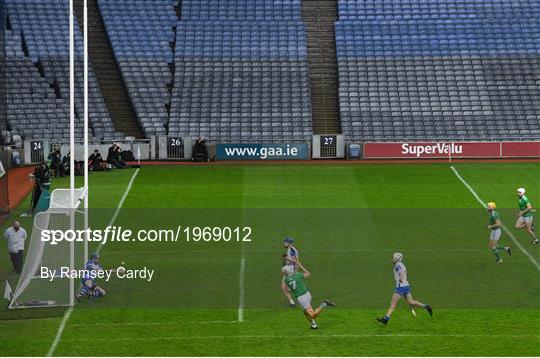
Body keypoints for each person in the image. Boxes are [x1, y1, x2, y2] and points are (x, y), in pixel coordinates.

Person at [377, 253, 433, 325]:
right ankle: (426, 306)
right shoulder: (402, 264)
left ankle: (386, 319)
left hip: (401, 286)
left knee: (393, 302)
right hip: (406, 285)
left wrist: (401, 279)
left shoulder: (398, 265)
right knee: (411, 302)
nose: (393, 259)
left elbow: (401, 272)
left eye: (394, 257)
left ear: (397, 258)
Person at [282, 263, 335, 329]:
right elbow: (308, 274)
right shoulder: (298, 275)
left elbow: (284, 288)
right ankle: (314, 325)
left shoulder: (286, 280)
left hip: (301, 298)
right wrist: (301, 266)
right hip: (307, 294)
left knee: (312, 315)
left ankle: (325, 304)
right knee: (304, 311)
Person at [280, 237, 299, 307]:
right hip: (290, 270)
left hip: (290, 271)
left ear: (287, 242)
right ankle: (292, 302)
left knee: (283, 287)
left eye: (285, 242)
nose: (284, 243)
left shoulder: (291, 250)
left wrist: (285, 258)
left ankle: (292, 302)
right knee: (286, 288)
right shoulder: (290, 249)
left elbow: (296, 261)